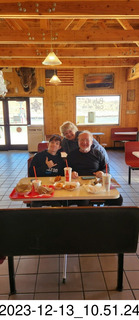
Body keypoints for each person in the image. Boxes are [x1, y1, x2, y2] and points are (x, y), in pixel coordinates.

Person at [67, 130, 123, 206]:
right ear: (78, 142)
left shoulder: (98, 153)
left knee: (118, 199)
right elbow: (67, 169)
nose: (84, 142)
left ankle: (108, 216)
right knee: (84, 202)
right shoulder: (71, 155)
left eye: (87, 140)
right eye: (82, 140)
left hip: (96, 184)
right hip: (79, 185)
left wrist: (102, 172)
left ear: (92, 142)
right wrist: (72, 173)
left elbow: (106, 168)